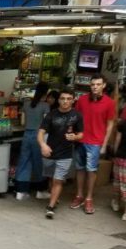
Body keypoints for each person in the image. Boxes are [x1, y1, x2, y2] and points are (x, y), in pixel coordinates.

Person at [72, 75, 115, 215]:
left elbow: (110, 125)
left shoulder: (109, 103)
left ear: (104, 85)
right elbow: (75, 118)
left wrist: (105, 144)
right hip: (80, 139)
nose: (95, 87)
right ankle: (79, 195)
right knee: (79, 169)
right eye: (92, 84)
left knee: (92, 170)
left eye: (98, 84)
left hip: (96, 142)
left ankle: (89, 198)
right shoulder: (82, 100)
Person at [38, 89, 84, 220]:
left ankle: (51, 207)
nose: (65, 101)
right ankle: (54, 197)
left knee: (58, 180)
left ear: (73, 100)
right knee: (51, 178)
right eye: (63, 98)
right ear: (59, 100)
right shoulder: (51, 115)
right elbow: (41, 132)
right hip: (50, 152)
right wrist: (43, 145)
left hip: (66, 154)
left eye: (68, 99)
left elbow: (81, 134)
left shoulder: (77, 116)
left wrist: (75, 137)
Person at [15, 83, 51, 200]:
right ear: (45, 93)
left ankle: (20, 191)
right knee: (39, 163)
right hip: (39, 136)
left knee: (24, 161)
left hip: (27, 135)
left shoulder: (26, 104)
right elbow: (47, 124)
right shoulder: (46, 106)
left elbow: (22, 122)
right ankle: (40, 190)